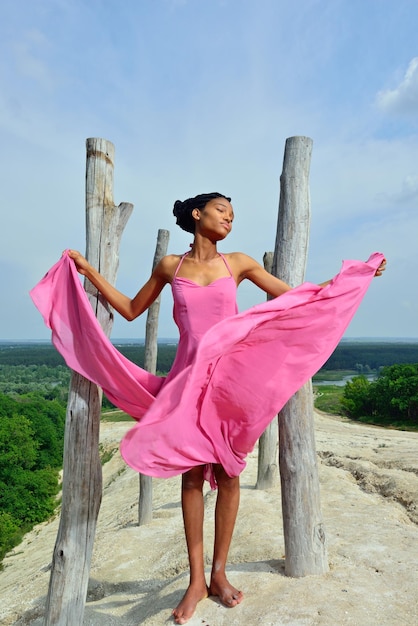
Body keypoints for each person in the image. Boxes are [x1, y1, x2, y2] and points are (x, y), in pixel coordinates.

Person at [60, 192, 385, 624]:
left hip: (229, 384)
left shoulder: (240, 263)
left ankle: (219, 573)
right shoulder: (169, 267)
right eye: (221, 211)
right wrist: (88, 271)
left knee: (230, 475)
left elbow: (297, 298)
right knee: (193, 477)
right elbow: (132, 309)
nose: (229, 218)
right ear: (198, 215)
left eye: (233, 215)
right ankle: (196, 580)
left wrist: (354, 276)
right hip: (186, 383)